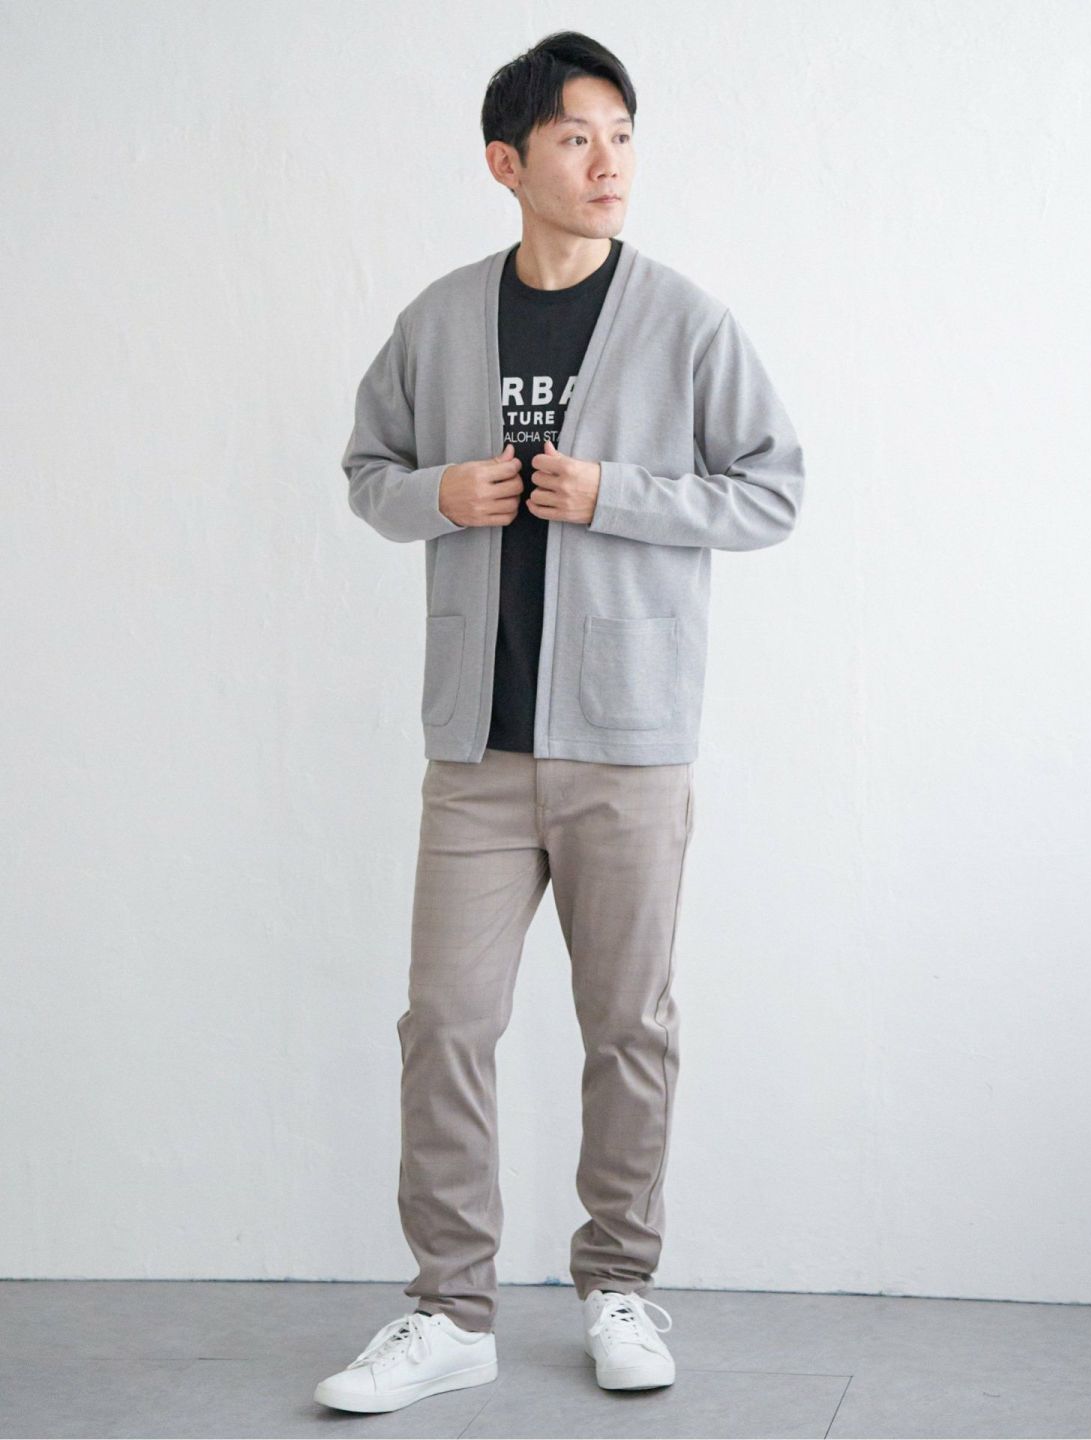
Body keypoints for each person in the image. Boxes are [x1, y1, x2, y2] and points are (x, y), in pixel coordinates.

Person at [314, 28, 805, 1416]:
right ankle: (449, 1310)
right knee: (443, 1026)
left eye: (623, 136)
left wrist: (615, 495)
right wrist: (437, 494)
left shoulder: (686, 322)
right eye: (578, 137)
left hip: (627, 743)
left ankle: (618, 1288)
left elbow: (772, 488)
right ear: (507, 161)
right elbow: (367, 466)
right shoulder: (439, 320)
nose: (609, 163)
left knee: (627, 1027)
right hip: (477, 748)